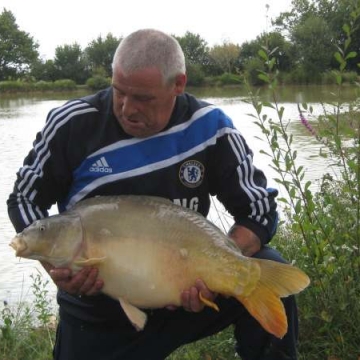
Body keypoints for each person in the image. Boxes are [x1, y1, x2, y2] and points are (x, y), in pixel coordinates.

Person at [7, 29, 299, 360]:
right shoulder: (73, 124)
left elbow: (259, 210)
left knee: (265, 266)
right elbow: (24, 199)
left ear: (178, 84)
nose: (127, 109)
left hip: (184, 289)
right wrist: (54, 267)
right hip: (98, 310)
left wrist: (219, 266)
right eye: (119, 92)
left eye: (143, 99)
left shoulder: (210, 127)